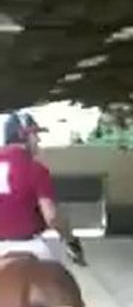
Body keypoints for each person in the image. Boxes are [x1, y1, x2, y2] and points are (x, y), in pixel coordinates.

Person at [0, 112, 85, 265]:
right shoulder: (36, 169)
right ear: (23, 136)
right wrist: (71, 241)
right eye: (34, 135)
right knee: (59, 281)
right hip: (30, 245)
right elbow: (52, 218)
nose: (38, 140)